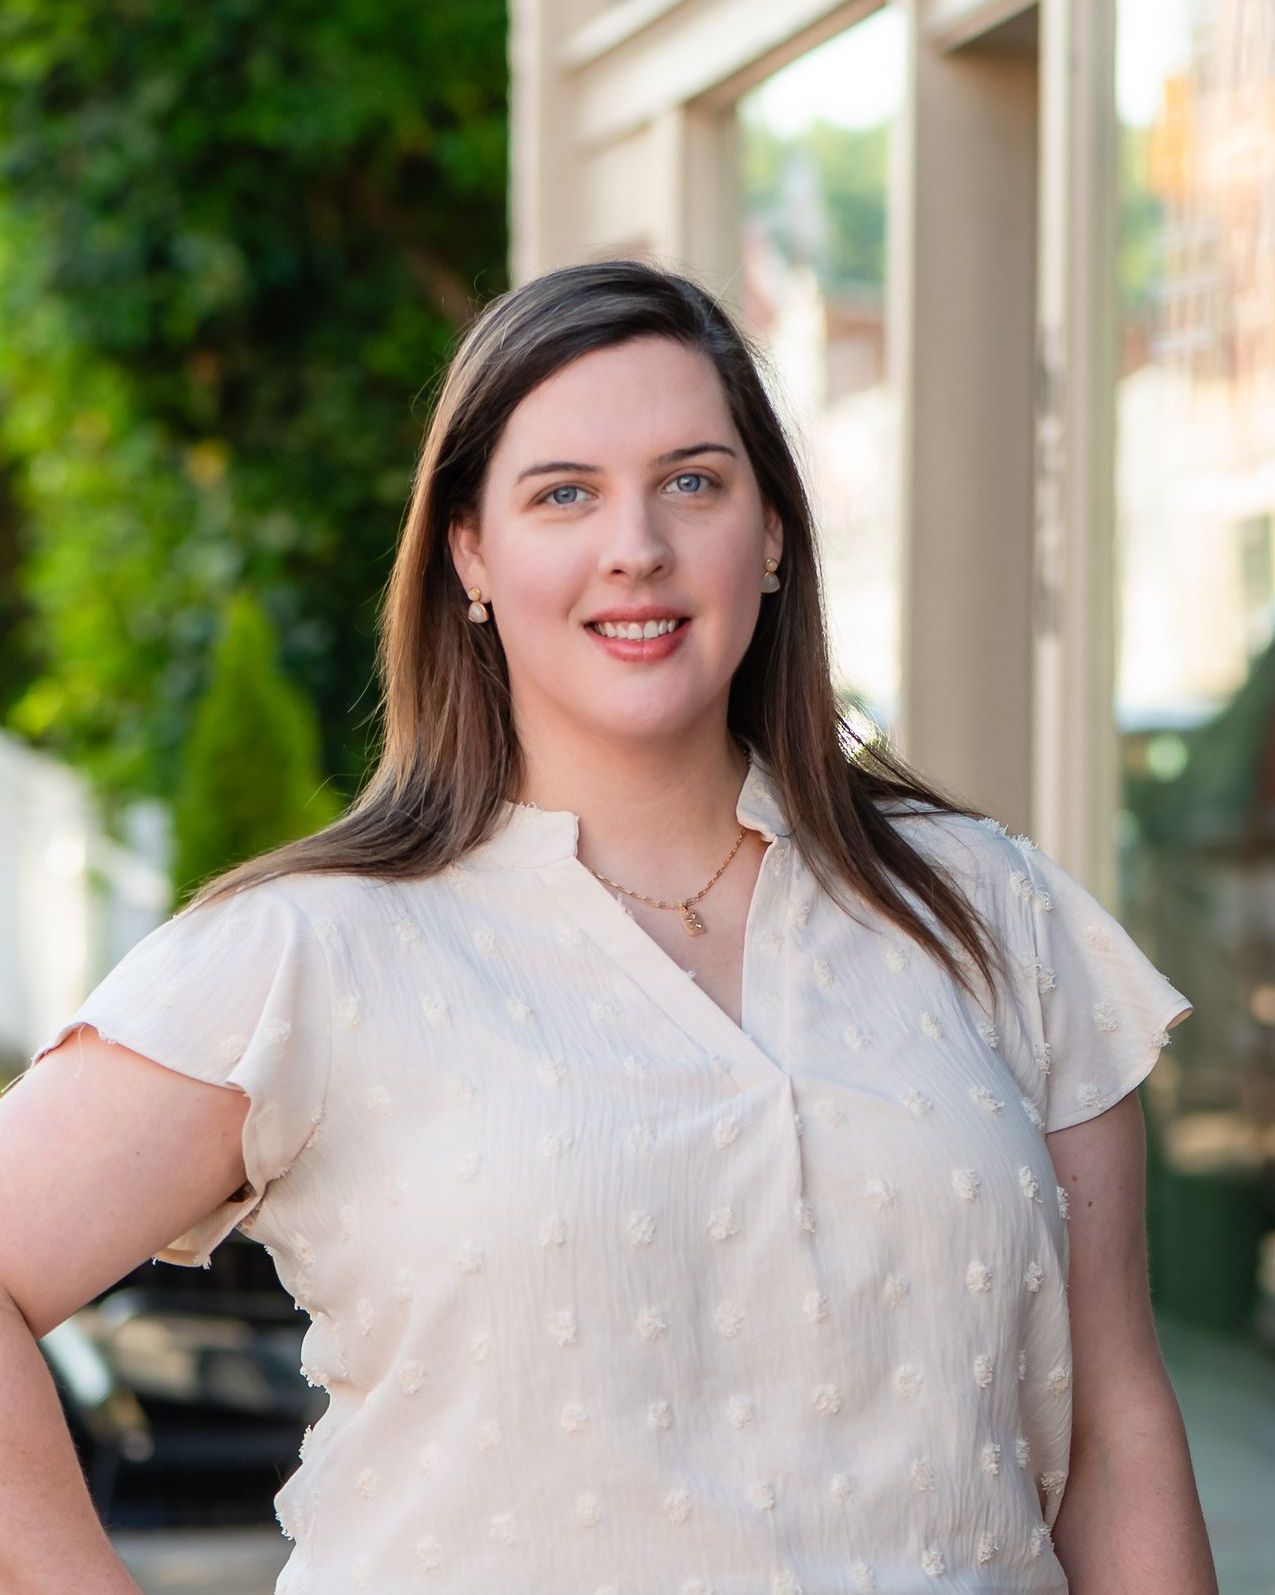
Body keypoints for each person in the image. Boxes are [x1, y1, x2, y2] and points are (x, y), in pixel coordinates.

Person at [0, 259, 1217, 1595]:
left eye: (692, 481)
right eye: (563, 493)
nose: (634, 543)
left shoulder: (993, 913)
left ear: (769, 536)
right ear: (471, 548)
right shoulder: (312, 950)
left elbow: (1115, 1430)